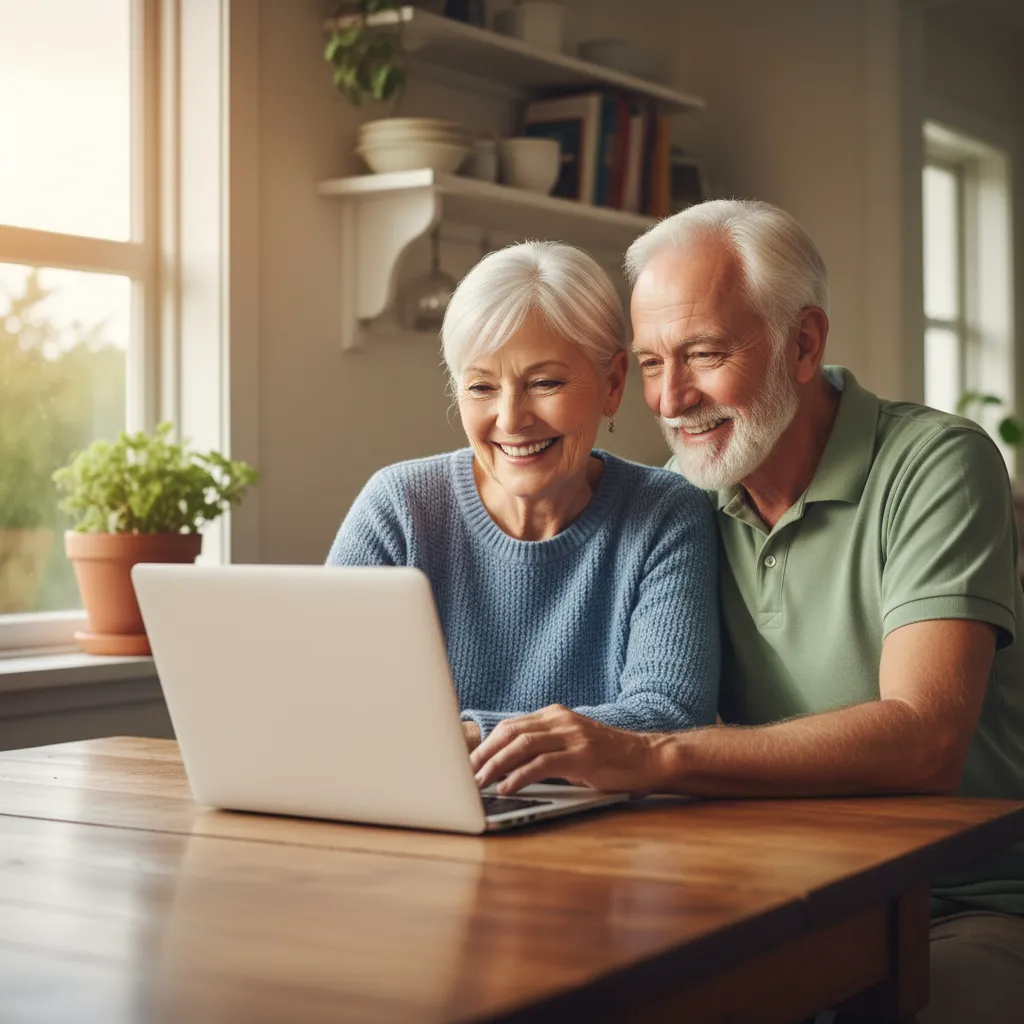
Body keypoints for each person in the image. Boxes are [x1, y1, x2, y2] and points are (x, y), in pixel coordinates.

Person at [469, 201, 1024, 1021]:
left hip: (957, 904)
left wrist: (652, 756)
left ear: (804, 345)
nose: (671, 398)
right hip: (764, 901)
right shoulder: (679, 500)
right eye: (650, 362)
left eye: (704, 353)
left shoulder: (936, 465)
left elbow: (925, 741)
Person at [326, 240, 719, 749]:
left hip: (604, 807)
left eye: (544, 383)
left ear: (614, 382)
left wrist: (471, 737)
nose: (511, 420)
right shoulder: (398, 508)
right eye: (481, 387)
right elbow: (328, 696)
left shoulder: (666, 512)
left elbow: (671, 715)